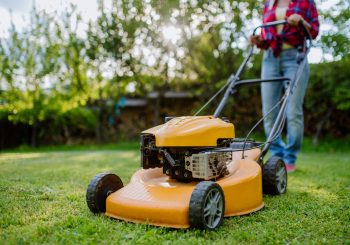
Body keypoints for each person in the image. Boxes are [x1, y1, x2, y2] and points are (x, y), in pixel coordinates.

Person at [250, 0, 319, 172]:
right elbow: (268, 36)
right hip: (270, 58)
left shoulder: (306, 2)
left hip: (295, 56)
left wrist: (302, 21)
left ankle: (290, 157)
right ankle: (276, 155)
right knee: (269, 112)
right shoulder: (269, 3)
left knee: (293, 109)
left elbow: (315, 31)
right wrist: (258, 40)